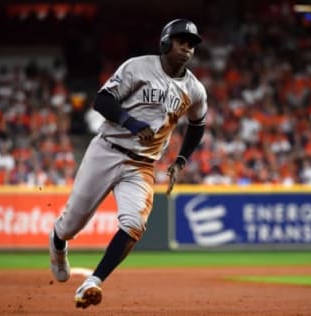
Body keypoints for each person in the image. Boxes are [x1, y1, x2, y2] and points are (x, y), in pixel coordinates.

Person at [48, 18, 208, 309]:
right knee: (73, 223)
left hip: (142, 165)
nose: (187, 48)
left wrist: (180, 160)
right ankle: (58, 243)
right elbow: (101, 100)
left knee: (135, 224)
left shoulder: (195, 89)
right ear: (165, 42)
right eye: (181, 41)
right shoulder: (138, 67)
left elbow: (198, 124)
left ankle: (93, 281)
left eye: (192, 45)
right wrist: (130, 122)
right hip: (107, 150)